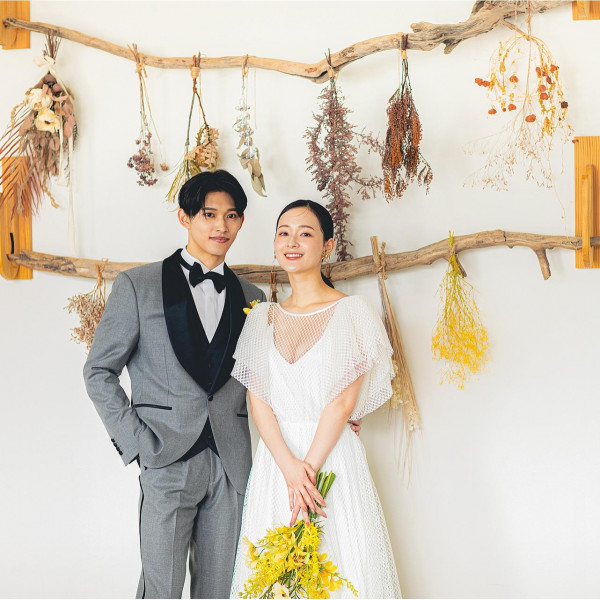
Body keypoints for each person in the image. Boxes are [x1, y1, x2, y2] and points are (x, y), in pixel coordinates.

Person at [83, 170, 266, 599]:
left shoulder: (254, 298)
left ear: (241, 221)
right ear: (185, 217)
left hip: (231, 463)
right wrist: (139, 444)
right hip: (165, 456)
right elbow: (98, 371)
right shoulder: (138, 285)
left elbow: (265, 379)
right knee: (161, 589)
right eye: (209, 214)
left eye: (232, 215)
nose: (221, 226)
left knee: (220, 590)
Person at [229, 200, 402, 599]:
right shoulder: (261, 317)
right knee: (274, 576)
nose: (292, 242)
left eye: (305, 233)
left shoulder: (352, 312)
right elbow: (258, 401)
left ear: (327, 246)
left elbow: (342, 405)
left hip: (331, 458)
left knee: (341, 568)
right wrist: (289, 469)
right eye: (284, 233)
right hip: (277, 464)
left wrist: (306, 471)